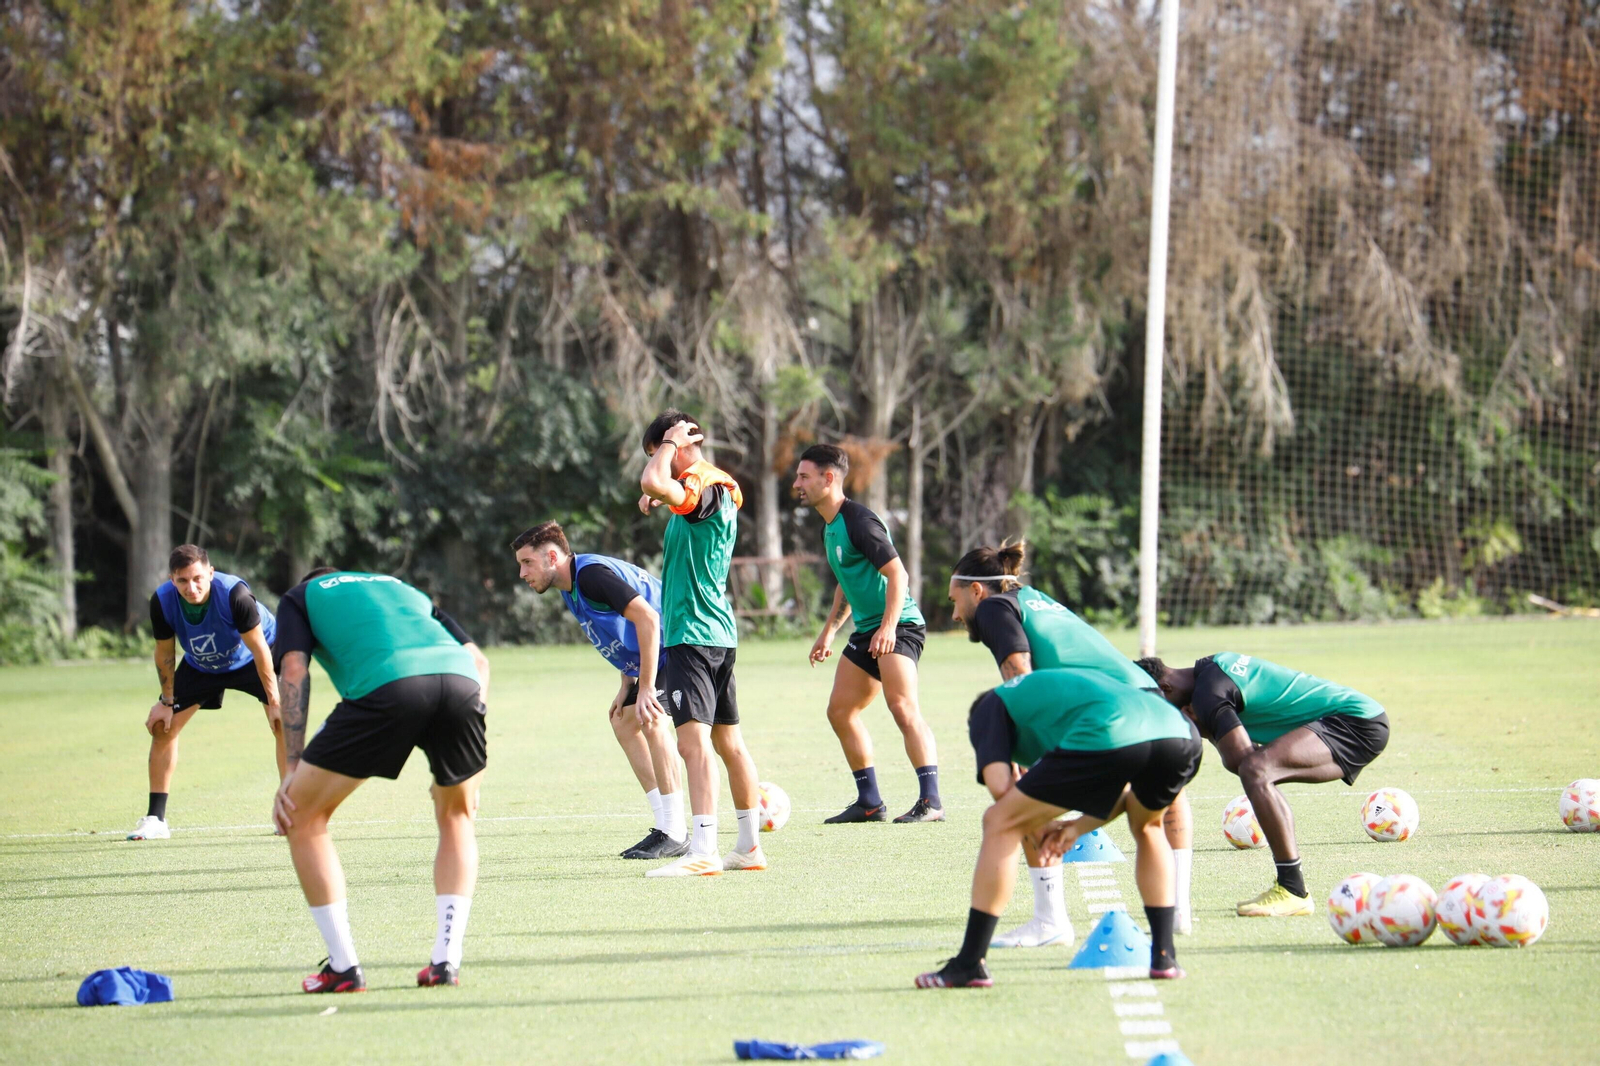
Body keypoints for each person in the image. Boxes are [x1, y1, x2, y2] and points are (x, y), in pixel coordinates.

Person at [947, 542, 1196, 943]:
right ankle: (1178, 911)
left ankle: (1049, 919)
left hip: (1102, 713)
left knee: (1016, 801)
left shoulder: (994, 607)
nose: (955, 613)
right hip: (1149, 700)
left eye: (954, 599)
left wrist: (1013, 733)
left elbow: (1019, 670)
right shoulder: (1036, 598)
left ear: (976, 590)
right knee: (1159, 806)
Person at [270, 568, 492, 992]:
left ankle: (342, 968)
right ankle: (446, 962)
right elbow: (479, 660)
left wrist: (292, 769)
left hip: (391, 684)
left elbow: (294, 670)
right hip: (463, 684)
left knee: (302, 816)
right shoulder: (400, 586)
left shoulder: (302, 596)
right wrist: (471, 761)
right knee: (457, 816)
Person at [914, 668, 1200, 989]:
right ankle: (1165, 957)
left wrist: (1038, 823)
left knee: (997, 821)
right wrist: (1074, 828)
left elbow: (1000, 788)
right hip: (1181, 733)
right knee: (1148, 825)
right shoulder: (1055, 708)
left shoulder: (989, 707)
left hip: (1115, 728)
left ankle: (969, 963)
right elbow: (1124, 797)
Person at [1137, 652, 1389, 918]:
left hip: (1355, 723)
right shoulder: (1210, 670)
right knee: (1258, 769)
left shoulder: (1207, 695)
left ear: (1165, 688)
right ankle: (1293, 889)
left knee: (1256, 770)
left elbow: (1240, 761)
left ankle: (1292, 891)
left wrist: (1201, 727)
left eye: (1163, 709)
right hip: (1359, 718)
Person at [636, 410, 767, 877]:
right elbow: (663, 492)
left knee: (692, 744)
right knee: (729, 742)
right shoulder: (707, 490)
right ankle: (749, 847)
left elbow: (654, 482)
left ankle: (704, 850)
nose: (661, 463)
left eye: (663, 453)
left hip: (693, 635)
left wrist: (668, 446)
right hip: (718, 633)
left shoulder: (703, 483)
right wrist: (662, 496)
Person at [512, 520, 687, 859]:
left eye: (526, 562)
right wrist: (628, 681)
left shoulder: (591, 576)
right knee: (623, 720)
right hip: (658, 653)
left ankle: (676, 831)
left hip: (678, 645)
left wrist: (646, 687)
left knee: (651, 719)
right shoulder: (570, 585)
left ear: (551, 556)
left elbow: (648, 619)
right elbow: (618, 631)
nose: (522, 573)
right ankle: (666, 824)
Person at [792, 444, 942, 824]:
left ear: (829, 479)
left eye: (804, 476)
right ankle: (870, 802)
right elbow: (848, 581)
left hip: (900, 625)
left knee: (903, 708)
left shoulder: (859, 520)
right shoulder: (830, 526)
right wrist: (828, 632)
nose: (797, 484)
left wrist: (889, 628)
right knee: (840, 711)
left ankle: (932, 802)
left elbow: (898, 574)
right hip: (868, 629)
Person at [128, 544, 282, 841]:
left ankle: (292, 813)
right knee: (163, 728)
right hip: (202, 663)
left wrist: (275, 701)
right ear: (172, 579)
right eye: (183, 580)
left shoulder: (234, 595)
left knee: (283, 724)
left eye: (198, 578)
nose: (192, 587)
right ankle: (156, 819)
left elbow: (261, 648)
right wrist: (166, 701)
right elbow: (165, 651)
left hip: (253, 657)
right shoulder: (162, 601)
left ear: (210, 573)